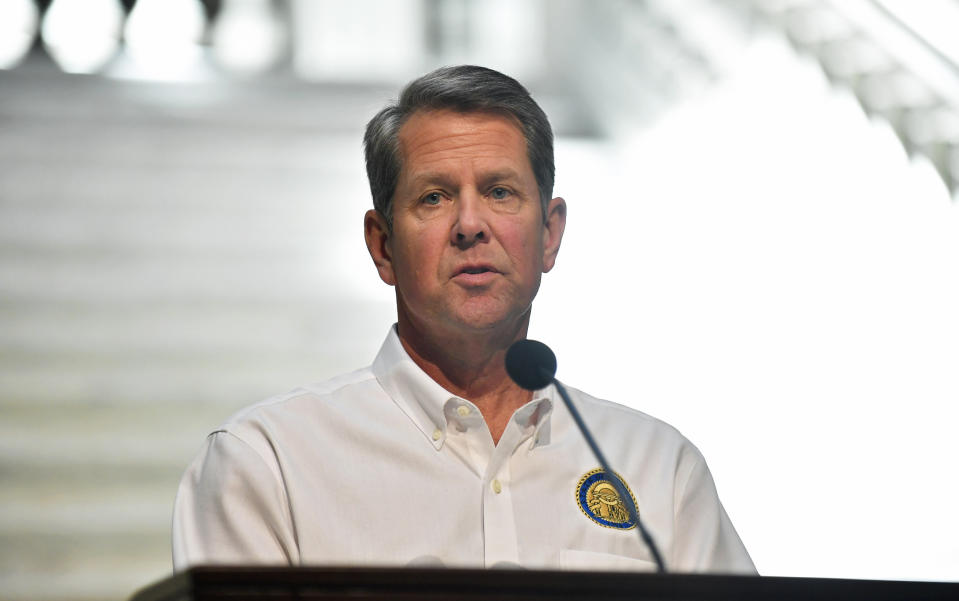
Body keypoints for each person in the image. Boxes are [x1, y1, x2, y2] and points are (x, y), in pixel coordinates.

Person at [172, 65, 756, 573]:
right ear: (383, 246)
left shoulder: (657, 468)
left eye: (500, 192)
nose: (470, 224)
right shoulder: (269, 464)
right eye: (434, 197)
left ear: (550, 235)